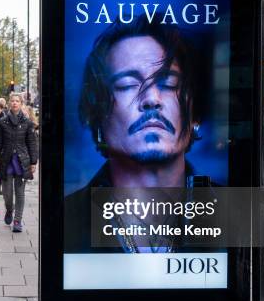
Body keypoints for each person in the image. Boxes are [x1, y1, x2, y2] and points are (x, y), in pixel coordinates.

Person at [65, 14, 207, 252]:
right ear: (96, 114)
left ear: (194, 113)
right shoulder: (67, 218)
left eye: (169, 84)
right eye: (127, 85)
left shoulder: (227, 206)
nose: (151, 99)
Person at [0, 93, 38, 232]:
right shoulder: (2, 122)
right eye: (13, 101)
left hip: (22, 161)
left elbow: (32, 143)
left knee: (20, 193)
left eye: (17, 101)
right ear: (9, 103)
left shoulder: (27, 123)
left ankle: (17, 221)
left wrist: (33, 161)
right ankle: (9, 210)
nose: (15, 103)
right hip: (6, 161)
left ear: (21, 104)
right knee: (7, 193)